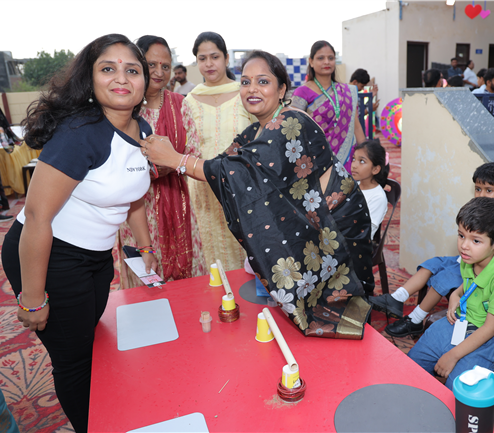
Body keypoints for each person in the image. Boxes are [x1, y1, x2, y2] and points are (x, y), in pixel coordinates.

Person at [144, 50, 375, 335]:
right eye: (245, 82)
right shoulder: (254, 132)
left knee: (345, 311)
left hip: (338, 226)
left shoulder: (291, 123)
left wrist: (175, 158)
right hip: (315, 223)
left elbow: (232, 172)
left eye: (263, 81)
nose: (252, 89)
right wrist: (171, 158)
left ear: (282, 90)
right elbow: (221, 167)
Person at [1, 34, 157, 432]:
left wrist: (145, 248)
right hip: (49, 255)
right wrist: (33, 298)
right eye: (108, 68)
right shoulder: (80, 132)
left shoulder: (141, 127)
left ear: (145, 81)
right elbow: (37, 217)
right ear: (90, 78)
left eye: (132, 70)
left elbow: (134, 195)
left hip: (95, 257)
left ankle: (109, 414)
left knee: (92, 339)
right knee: (74, 361)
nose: (121, 78)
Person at [369, 163, 494, 337]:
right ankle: (397, 298)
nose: (481, 195)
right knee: (432, 264)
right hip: (465, 260)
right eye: (478, 189)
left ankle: (415, 319)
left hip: (481, 270)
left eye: (488, 190)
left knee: (443, 278)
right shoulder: (477, 210)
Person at [406, 197, 494, 390]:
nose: (464, 245)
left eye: (476, 240)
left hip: (493, 338)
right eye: (461, 236)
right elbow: (468, 284)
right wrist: (456, 295)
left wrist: (452, 355)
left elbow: (490, 329)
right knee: (411, 364)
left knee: (458, 388)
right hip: (464, 319)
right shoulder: (470, 257)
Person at [117, 36, 207, 289]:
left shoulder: (180, 104)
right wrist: (169, 163)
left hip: (177, 201)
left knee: (187, 280)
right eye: (152, 64)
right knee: (144, 277)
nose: (159, 72)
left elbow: (194, 154)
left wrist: (158, 165)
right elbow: (117, 163)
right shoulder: (124, 107)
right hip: (136, 207)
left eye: (165, 66)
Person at [183, 32, 255, 272]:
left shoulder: (245, 93)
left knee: (244, 249)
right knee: (208, 250)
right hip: (202, 188)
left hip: (242, 186)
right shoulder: (189, 100)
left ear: (226, 58)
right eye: (202, 58)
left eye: (214, 57)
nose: (209, 64)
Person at [292, 41, 366, 173]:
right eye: (321, 58)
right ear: (311, 62)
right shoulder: (302, 93)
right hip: (316, 160)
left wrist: (366, 155)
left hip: (347, 159)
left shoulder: (347, 92)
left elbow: (356, 126)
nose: (326, 62)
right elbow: (294, 130)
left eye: (331, 58)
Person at [350, 139, 389, 239]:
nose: (354, 165)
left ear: (375, 169)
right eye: (354, 159)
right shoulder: (354, 185)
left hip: (355, 243)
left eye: (362, 161)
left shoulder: (378, 197)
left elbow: (364, 233)